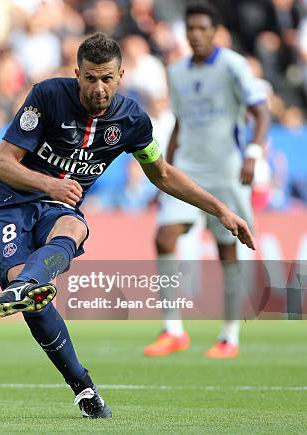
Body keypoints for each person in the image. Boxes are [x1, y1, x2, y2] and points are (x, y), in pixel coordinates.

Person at [0, 32, 254, 419]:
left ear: (121, 75)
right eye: (90, 78)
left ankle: (28, 283)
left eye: (107, 79)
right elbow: (1, 162)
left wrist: (221, 210)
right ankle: (83, 387)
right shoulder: (46, 97)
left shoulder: (131, 121)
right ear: (77, 74)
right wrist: (51, 184)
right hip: (12, 206)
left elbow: (162, 174)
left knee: (75, 229)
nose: (98, 88)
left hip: (58, 210)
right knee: (32, 300)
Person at [143, 2, 270, 359]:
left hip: (226, 171)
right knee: (164, 237)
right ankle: (173, 330)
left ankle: (229, 336)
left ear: (214, 32)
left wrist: (253, 154)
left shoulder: (233, 65)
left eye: (202, 28)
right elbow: (180, 122)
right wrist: (162, 168)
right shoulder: (177, 71)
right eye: (190, 29)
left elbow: (261, 112)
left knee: (227, 251)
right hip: (186, 168)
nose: (195, 35)